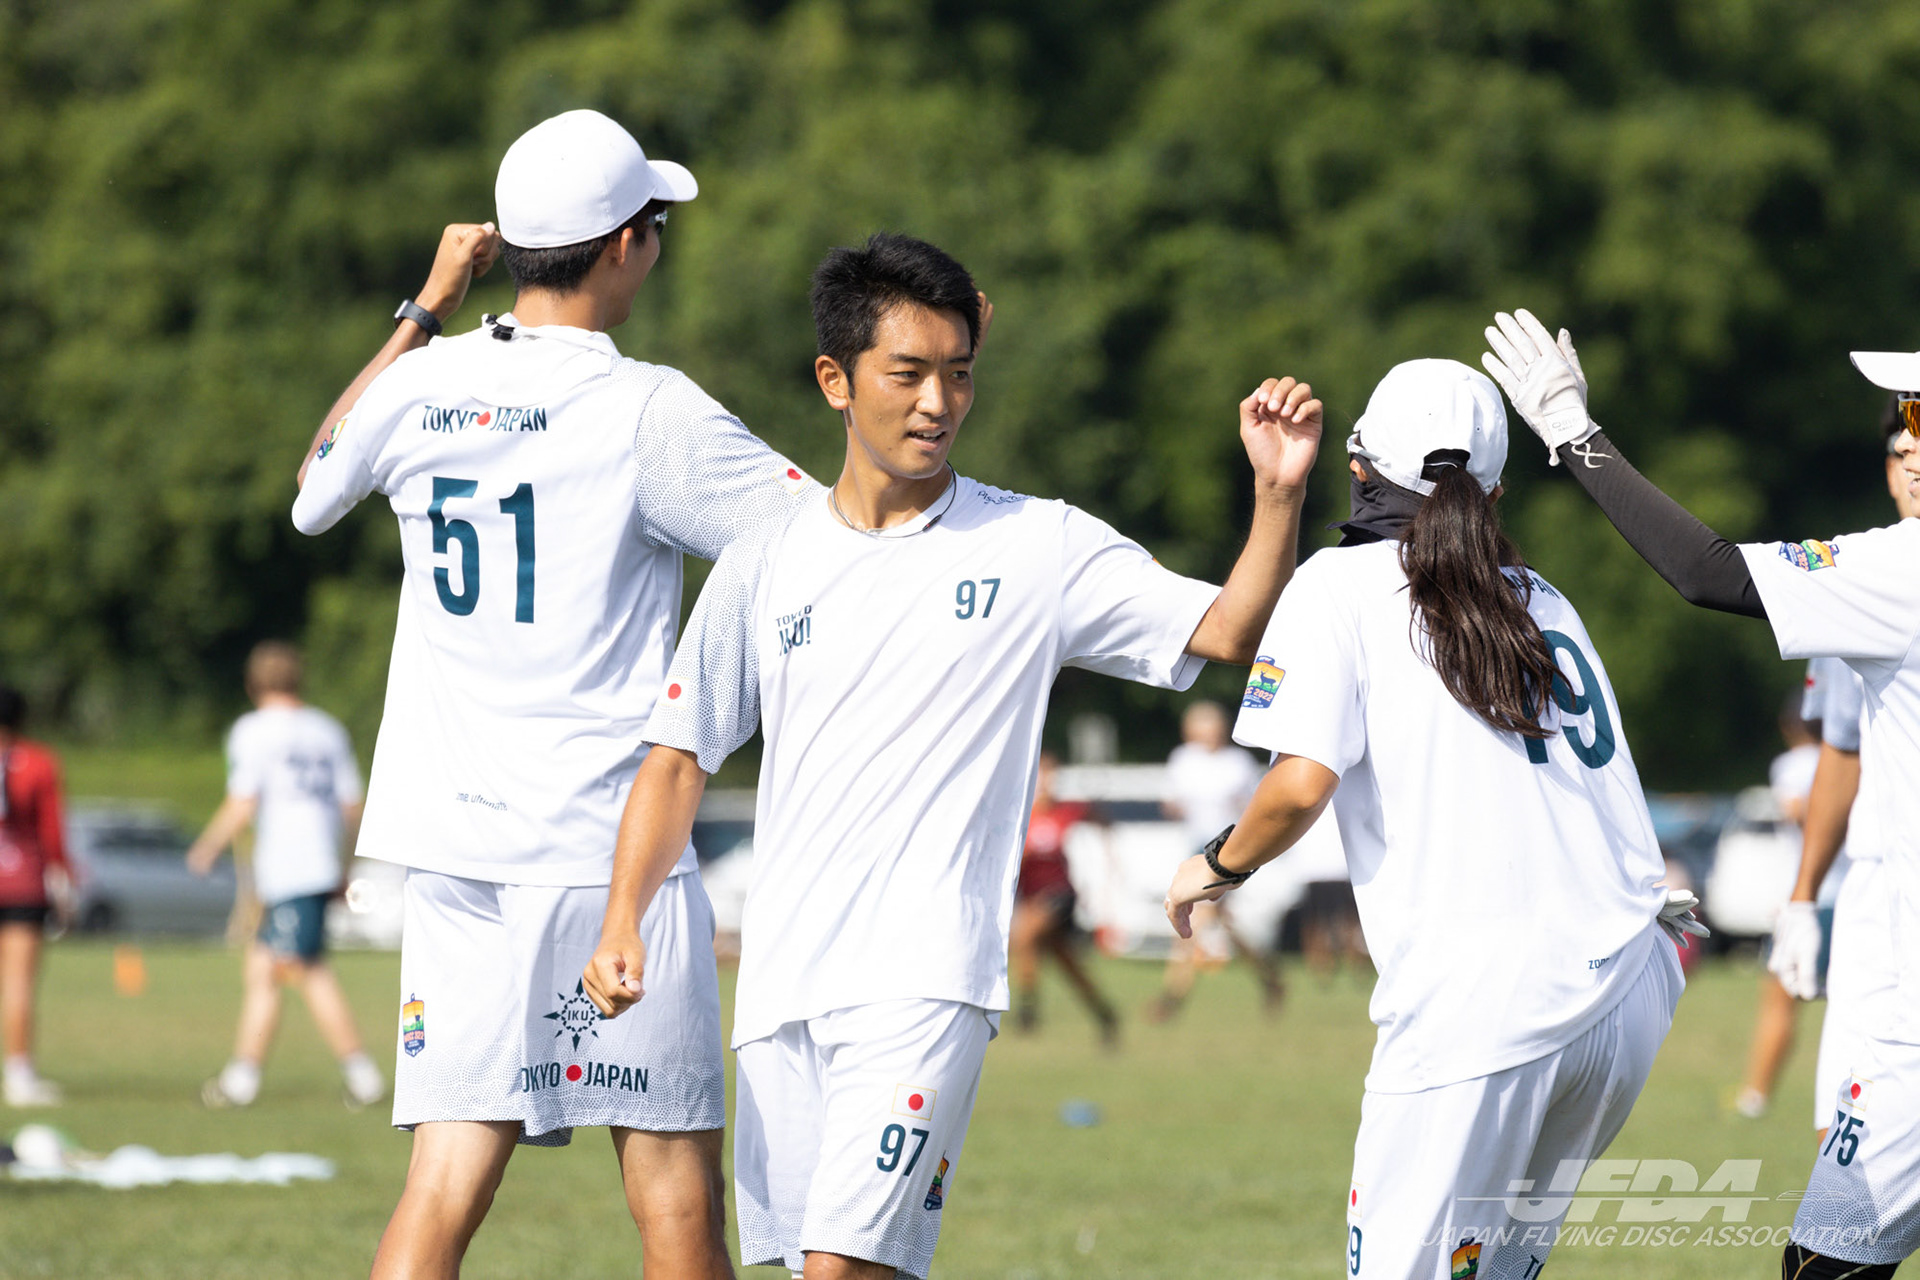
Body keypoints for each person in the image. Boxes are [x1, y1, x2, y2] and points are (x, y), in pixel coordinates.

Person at [584, 232, 1320, 1280]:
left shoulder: (1037, 545)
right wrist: (623, 916)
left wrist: (1278, 495)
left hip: (928, 977)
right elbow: (676, 758)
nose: (939, 402)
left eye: (959, 373)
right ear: (836, 381)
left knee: (843, 1269)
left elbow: (1230, 629)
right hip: (785, 989)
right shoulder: (765, 560)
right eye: (910, 373)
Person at [292, 109, 814, 1279]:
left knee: (441, 1185)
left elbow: (314, 491)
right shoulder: (649, 408)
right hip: (605, 848)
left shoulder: (422, 383)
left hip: (455, 850)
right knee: (675, 1200)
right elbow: (822, 540)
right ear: (626, 244)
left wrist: (425, 306)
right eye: (656, 227)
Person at [1164, 358, 1705, 1280]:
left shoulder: (1339, 584)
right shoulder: (1543, 595)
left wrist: (1213, 866)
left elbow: (1299, 785)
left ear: (1360, 468)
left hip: (1488, 1005)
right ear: (1495, 491)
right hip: (1628, 983)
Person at [1480, 308, 1920, 1277]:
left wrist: (1574, 434)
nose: (1910, 443)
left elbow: (1706, 571)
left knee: (1826, 1261)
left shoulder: (1905, 566)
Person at [1769, 393, 1920, 1146]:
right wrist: (1803, 898)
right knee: (1846, 1123)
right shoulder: (1860, 578)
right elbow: (1842, 751)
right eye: (1903, 451)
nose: (1913, 466)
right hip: (1881, 878)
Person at [186, 641, 383, 1110]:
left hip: (291, 867)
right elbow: (351, 806)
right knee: (262, 970)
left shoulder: (251, 730)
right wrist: (345, 866)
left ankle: (362, 1075)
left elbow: (243, 800)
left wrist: (207, 846)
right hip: (315, 864)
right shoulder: (327, 729)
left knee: (306, 971)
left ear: (253, 683)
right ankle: (243, 1077)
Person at [1150, 700, 1284, 1021]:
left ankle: (1172, 997)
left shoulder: (1237, 762)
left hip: (1227, 848)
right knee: (1216, 920)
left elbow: (1252, 805)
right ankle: (1270, 977)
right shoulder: (1183, 759)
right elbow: (1171, 802)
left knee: (1194, 918)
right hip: (1195, 846)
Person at [1732, 696, 1827, 1120]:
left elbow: (1794, 812)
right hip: (1854, 895)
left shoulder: (1795, 763)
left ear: (1790, 728)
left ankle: (1755, 1097)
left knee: (1779, 1002)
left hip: (1805, 899)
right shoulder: (1858, 755)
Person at [1008, 752, 1118, 1044]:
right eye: (1039, 776)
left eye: (1049, 776)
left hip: (1059, 895)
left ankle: (1027, 1011)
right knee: (1066, 963)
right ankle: (1104, 1013)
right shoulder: (1020, 814)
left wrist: (1109, 854)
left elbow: (1099, 817)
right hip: (1030, 897)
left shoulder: (1064, 811)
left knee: (1024, 936)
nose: (1044, 783)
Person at [0, 683, 73, 1108]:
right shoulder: (39, 762)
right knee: (18, 984)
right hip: (22, 884)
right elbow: (52, 832)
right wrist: (64, 885)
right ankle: (19, 1075)